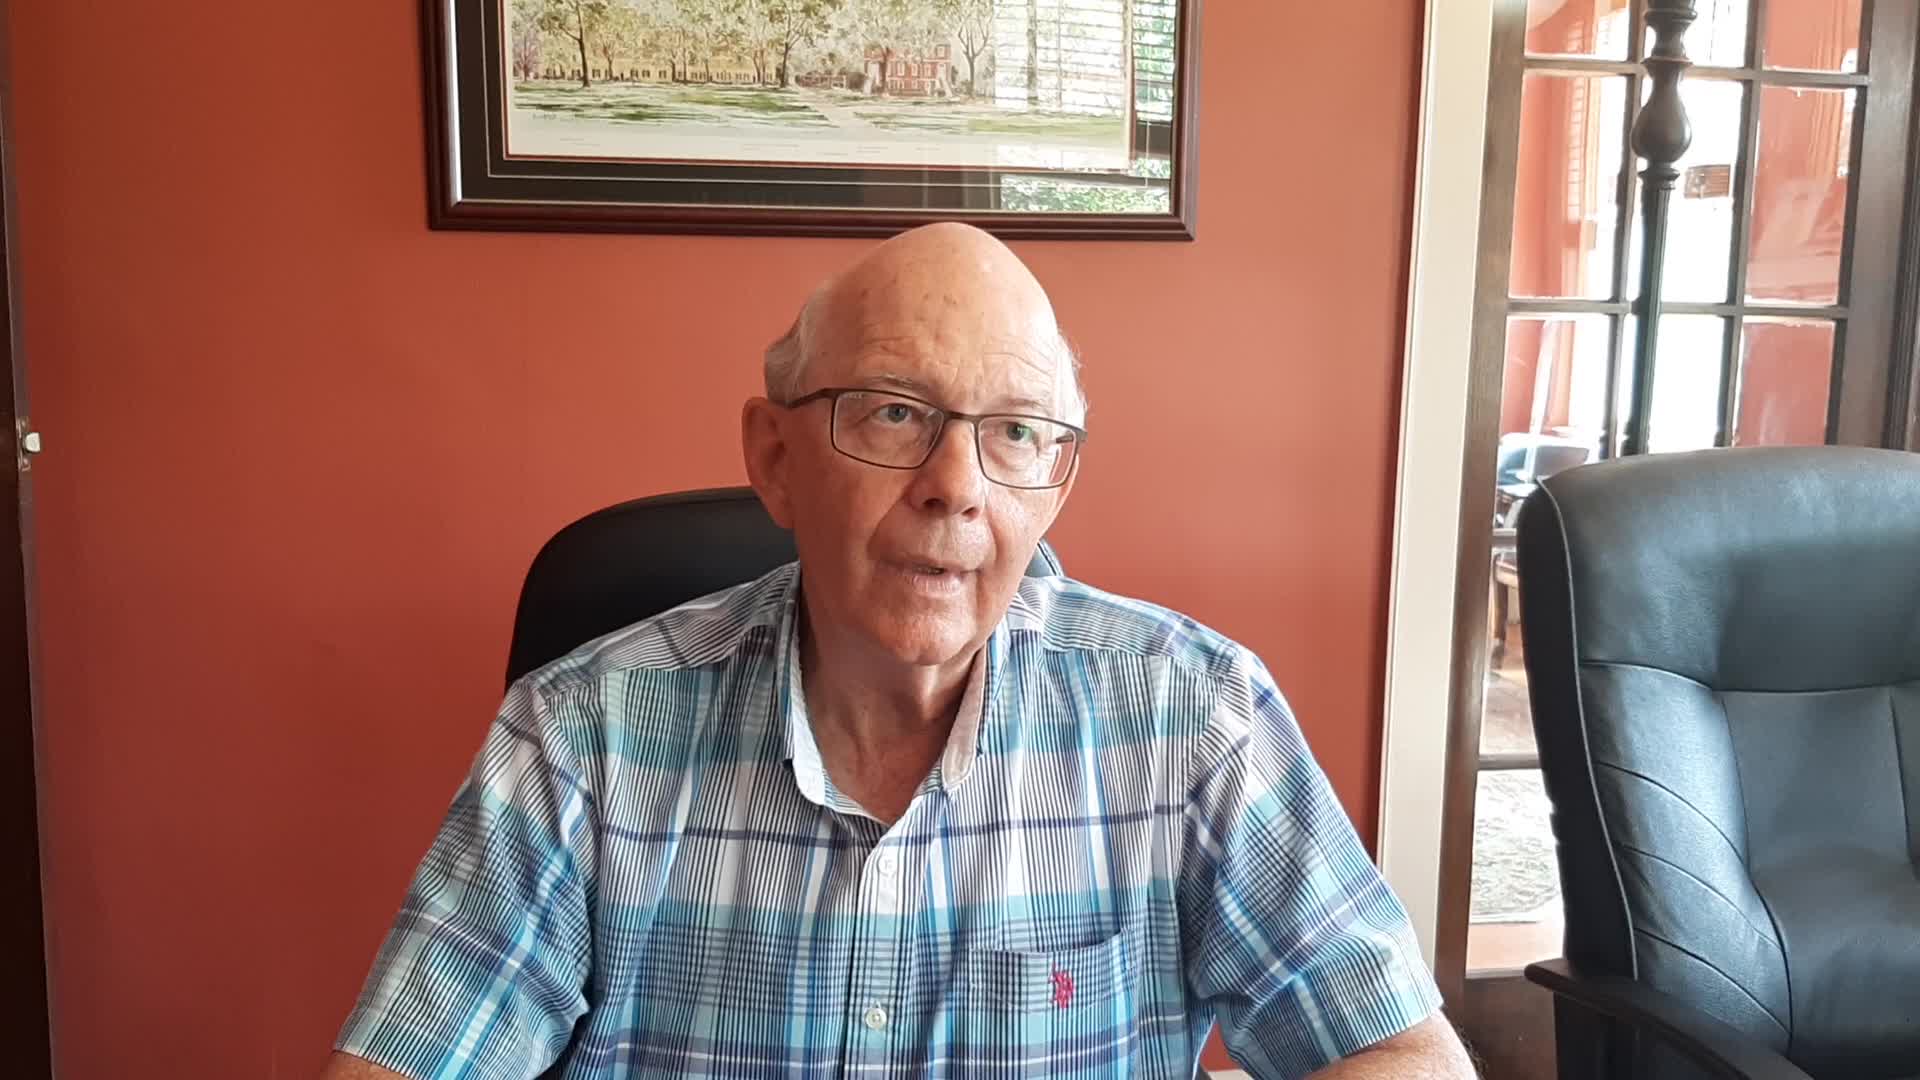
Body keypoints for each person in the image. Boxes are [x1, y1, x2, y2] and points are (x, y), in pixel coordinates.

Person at [322, 223, 1474, 1079]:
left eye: (1014, 432)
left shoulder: (1194, 718)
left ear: (1055, 483)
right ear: (776, 459)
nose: (955, 488)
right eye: (892, 413)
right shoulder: (583, 735)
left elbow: (1400, 1054)